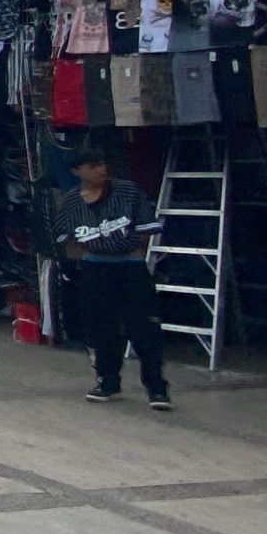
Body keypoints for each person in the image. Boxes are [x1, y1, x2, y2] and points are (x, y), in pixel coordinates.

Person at [53, 144, 169, 408]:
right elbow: (64, 237)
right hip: (95, 269)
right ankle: (107, 381)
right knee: (100, 327)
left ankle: (156, 388)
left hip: (130, 267)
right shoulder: (72, 201)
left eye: (103, 164)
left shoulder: (127, 192)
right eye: (93, 166)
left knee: (144, 328)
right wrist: (91, 249)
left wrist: (125, 247)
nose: (101, 170)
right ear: (77, 171)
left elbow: (146, 228)